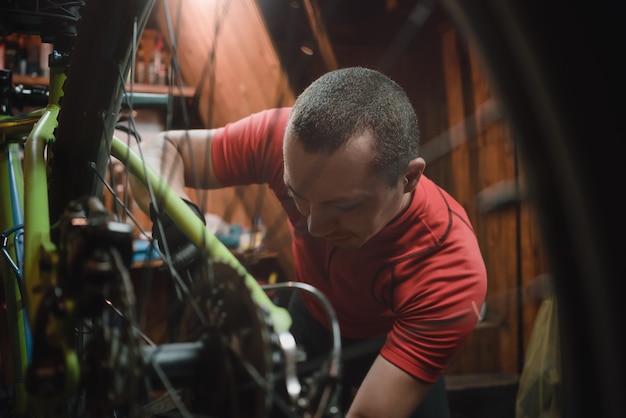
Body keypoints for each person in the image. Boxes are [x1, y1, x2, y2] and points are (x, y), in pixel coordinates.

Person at [130, 67, 487, 418]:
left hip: (392, 343)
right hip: (308, 318)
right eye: (297, 195)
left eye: (343, 206)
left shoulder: (451, 267)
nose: (313, 226)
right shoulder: (287, 142)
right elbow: (158, 151)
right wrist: (179, 223)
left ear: (409, 178)